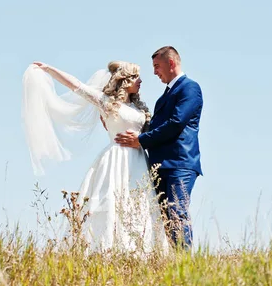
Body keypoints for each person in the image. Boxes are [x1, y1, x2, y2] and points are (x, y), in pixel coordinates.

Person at [22, 60, 168, 253]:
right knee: (111, 204)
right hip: (116, 159)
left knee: (139, 204)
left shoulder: (139, 108)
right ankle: (108, 250)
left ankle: (141, 251)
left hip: (139, 161)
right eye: (135, 77)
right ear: (124, 81)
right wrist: (49, 69)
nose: (140, 80)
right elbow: (76, 86)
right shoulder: (107, 103)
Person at [115, 46, 203, 249]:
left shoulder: (190, 88)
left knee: (177, 211)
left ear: (170, 63)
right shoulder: (164, 96)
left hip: (179, 164)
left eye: (157, 66)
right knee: (164, 217)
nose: (154, 72)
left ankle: (184, 263)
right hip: (160, 166)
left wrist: (141, 140)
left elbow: (175, 123)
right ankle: (172, 260)